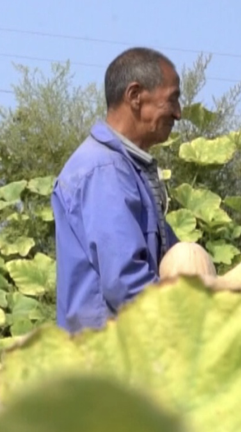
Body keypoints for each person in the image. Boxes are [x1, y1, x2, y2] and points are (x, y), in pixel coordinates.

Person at [52, 47, 183, 333]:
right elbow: (125, 283)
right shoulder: (104, 170)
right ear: (135, 96)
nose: (178, 113)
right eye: (172, 99)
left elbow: (173, 256)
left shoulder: (124, 168)